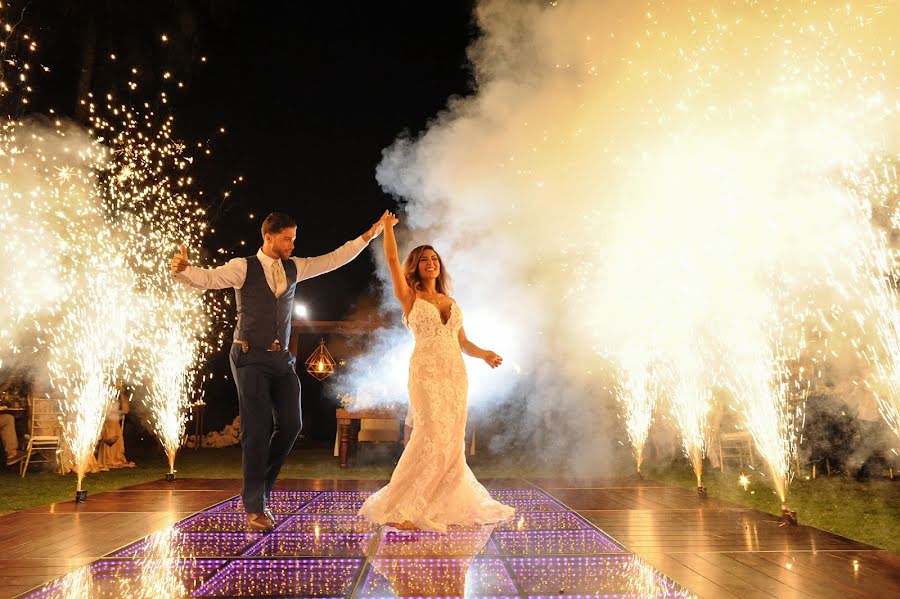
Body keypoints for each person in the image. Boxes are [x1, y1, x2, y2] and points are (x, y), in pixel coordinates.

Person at [172, 210, 386, 532]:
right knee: (256, 431)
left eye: (294, 239)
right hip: (247, 356)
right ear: (268, 236)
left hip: (280, 360)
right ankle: (255, 506)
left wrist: (368, 236)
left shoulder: (295, 267)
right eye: (287, 239)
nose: (292, 245)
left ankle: (260, 490)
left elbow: (333, 259)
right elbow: (210, 278)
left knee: (291, 424)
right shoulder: (242, 267)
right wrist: (184, 271)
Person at [358, 212, 515, 531]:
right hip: (425, 373)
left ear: (439, 266)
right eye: (423, 259)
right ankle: (408, 505)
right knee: (429, 433)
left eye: (434, 258)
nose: (430, 262)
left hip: (455, 375)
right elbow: (390, 257)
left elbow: (463, 342)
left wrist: (483, 353)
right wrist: (387, 227)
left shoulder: (451, 302)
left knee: (452, 437)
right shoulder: (410, 297)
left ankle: (441, 502)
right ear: (415, 266)